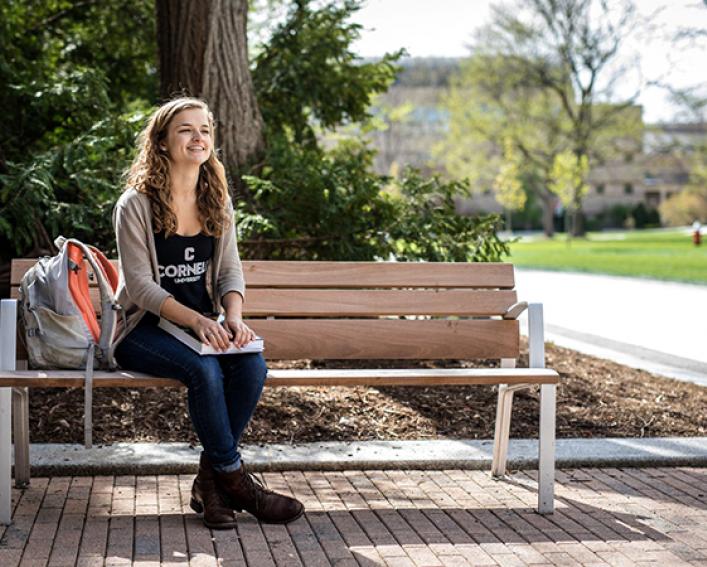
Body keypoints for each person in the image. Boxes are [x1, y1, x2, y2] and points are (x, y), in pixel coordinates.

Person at [112, 97, 304, 528]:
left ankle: (210, 484)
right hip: (143, 329)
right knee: (206, 371)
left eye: (205, 130)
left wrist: (232, 317)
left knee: (252, 367)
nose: (198, 137)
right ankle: (237, 482)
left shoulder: (215, 198)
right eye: (185, 129)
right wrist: (199, 321)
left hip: (201, 326)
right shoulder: (135, 204)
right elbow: (140, 287)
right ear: (161, 142)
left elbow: (230, 271)